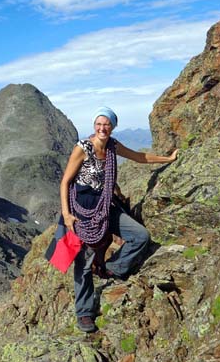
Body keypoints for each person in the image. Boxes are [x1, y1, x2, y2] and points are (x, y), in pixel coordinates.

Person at [60, 107, 178, 333]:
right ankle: (84, 313)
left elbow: (139, 157)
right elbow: (65, 182)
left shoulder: (113, 147)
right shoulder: (82, 148)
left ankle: (112, 269)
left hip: (106, 207)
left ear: (112, 127)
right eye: (99, 124)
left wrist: (168, 158)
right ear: (94, 126)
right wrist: (66, 215)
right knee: (83, 265)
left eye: (107, 124)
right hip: (82, 211)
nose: (102, 128)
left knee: (140, 236)